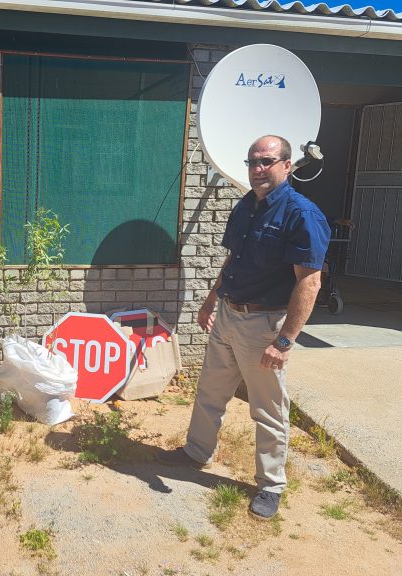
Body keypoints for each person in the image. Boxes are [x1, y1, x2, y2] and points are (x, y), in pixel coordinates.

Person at [159, 135, 330, 520]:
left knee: (267, 409)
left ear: (287, 165)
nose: (258, 169)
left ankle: (270, 485)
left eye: (267, 161)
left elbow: (310, 282)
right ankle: (196, 452)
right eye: (253, 161)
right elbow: (235, 259)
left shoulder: (302, 214)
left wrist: (285, 341)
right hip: (229, 315)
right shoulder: (245, 206)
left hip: (264, 326)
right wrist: (211, 300)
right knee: (210, 391)